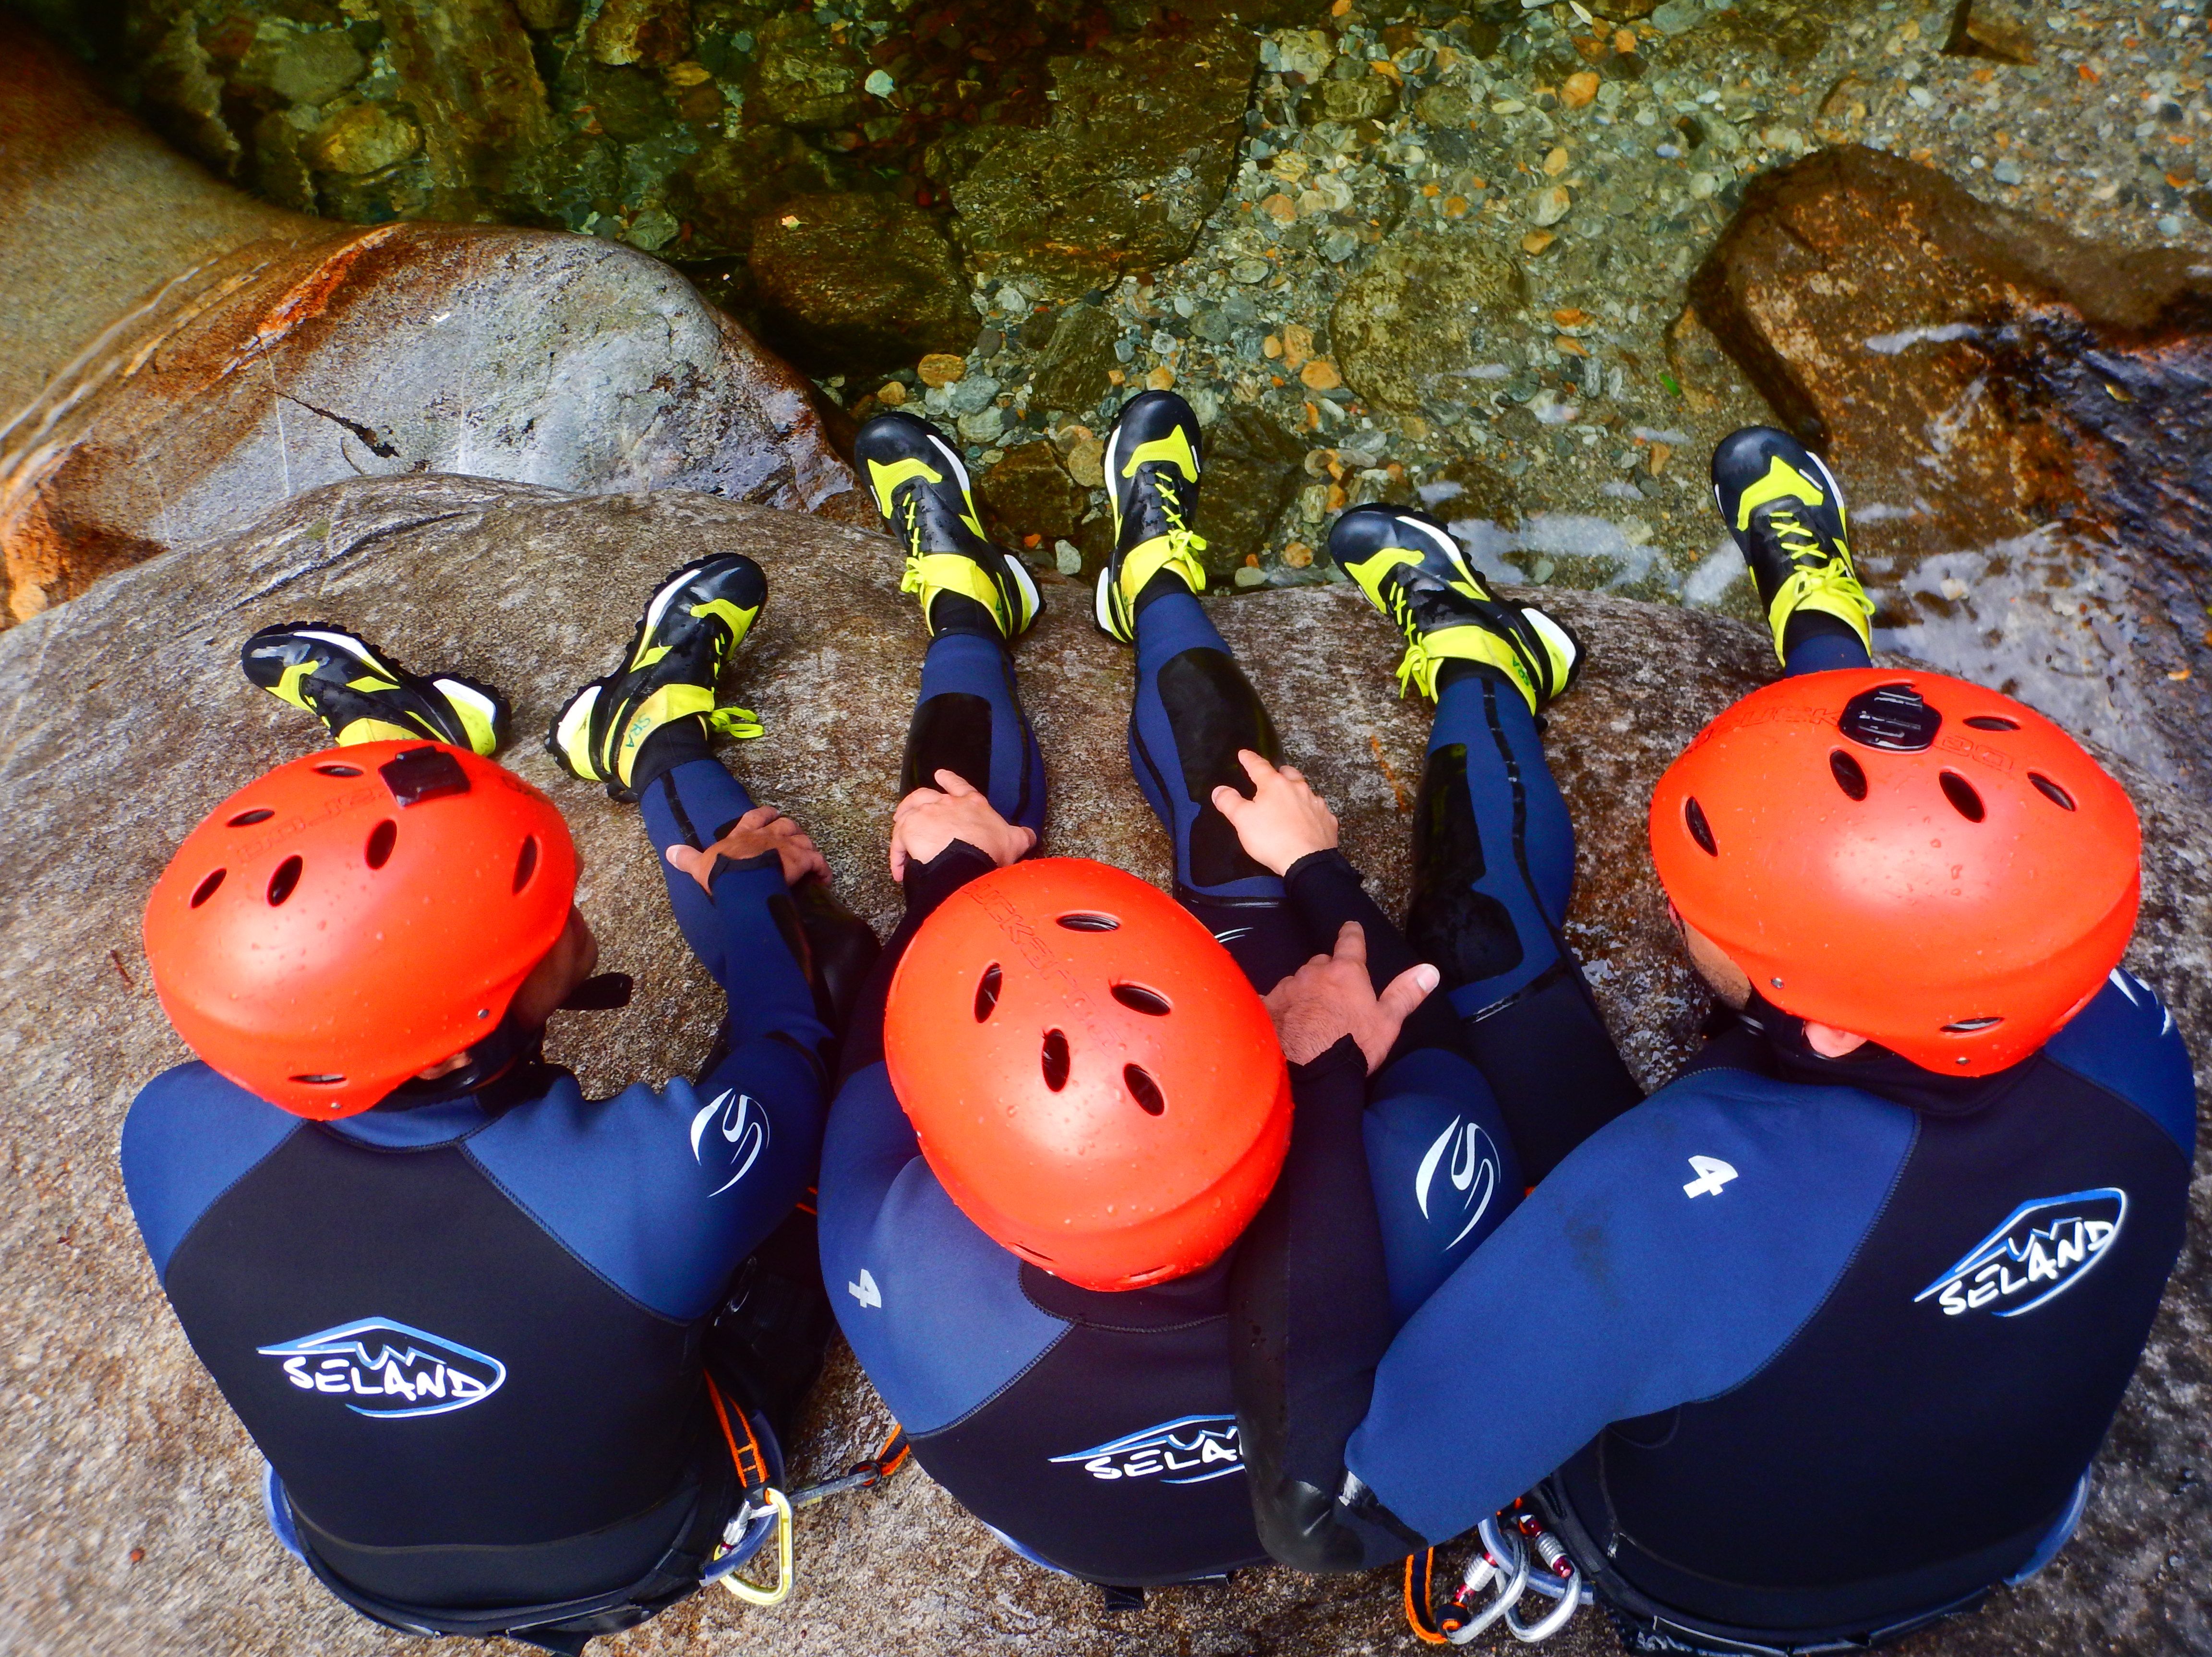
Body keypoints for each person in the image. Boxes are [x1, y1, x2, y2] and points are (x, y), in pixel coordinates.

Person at [1229, 428, 2196, 1655]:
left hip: (1707, 1588)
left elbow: (1327, 1516)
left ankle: (1478, 658)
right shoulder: (2137, 1049)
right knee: (1882, 818)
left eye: (1703, 908)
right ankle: (1818, 613)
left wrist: (1317, 1074)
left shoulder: (1667, 1208)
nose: (1678, 909)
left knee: (1478, 955)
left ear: (1829, 1023)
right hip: (2016, 1529)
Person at [814, 393, 1597, 1598]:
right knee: (1248, 841)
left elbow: (882, 1041)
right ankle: (1159, 584)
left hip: (1083, 1533)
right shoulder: (1415, 1186)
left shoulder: (901, 1259)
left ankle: (972, 605)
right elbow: (1402, 1003)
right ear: (1264, 1060)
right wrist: (1317, 872)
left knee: (942, 862)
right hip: (1323, 1434)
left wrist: (958, 881)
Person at [120, 560, 866, 1655]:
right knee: (842, 984)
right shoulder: (652, 1186)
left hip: (364, 1570)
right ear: (481, 1020)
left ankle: (399, 740)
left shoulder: (171, 1133)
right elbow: (789, 1039)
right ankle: (651, 731)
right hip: (650, 1544)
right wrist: (750, 894)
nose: (571, 906)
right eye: (550, 911)